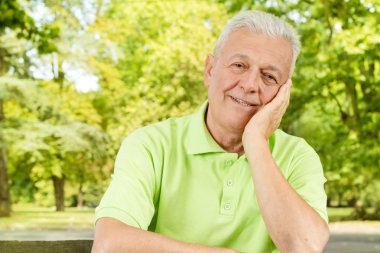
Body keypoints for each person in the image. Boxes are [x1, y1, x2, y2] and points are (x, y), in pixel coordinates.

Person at [92, 10, 329, 253]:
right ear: (209, 70)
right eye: (239, 65)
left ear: (283, 94)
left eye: (269, 77)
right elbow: (109, 245)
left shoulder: (299, 156)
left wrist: (256, 142)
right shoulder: (151, 145)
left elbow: (306, 247)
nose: (249, 85)